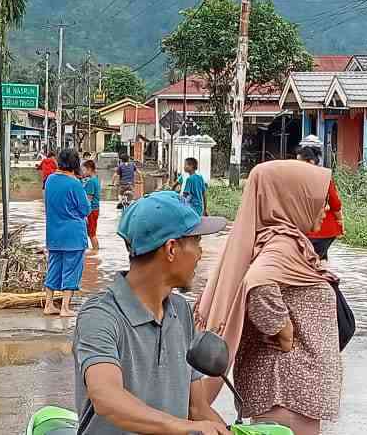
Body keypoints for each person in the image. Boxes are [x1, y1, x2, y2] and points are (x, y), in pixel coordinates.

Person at [193, 160, 343, 435]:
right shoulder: (282, 244)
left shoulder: (278, 240)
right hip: (286, 389)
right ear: (292, 199)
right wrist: (281, 330)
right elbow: (258, 282)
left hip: (290, 390)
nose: (325, 208)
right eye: (318, 200)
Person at [74, 191, 229, 434]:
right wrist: (182, 428)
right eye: (197, 242)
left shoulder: (181, 311)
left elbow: (196, 407)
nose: (201, 254)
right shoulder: (101, 316)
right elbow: (105, 395)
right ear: (171, 249)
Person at [44, 149, 92, 318]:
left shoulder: (50, 180)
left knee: (54, 267)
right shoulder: (75, 184)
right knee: (72, 269)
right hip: (73, 235)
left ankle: (49, 304)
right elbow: (86, 209)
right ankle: (65, 307)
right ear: (74, 164)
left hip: (53, 234)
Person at [298, 146, 344, 260]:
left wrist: (340, 220)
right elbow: (335, 202)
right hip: (326, 232)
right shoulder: (325, 176)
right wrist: (340, 222)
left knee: (310, 262)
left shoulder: (298, 178)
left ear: (311, 161)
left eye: (299, 162)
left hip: (314, 231)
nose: (297, 165)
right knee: (318, 261)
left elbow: (335, 203)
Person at [81, 160, 102, 250]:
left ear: (89, 169)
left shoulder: (91, 182)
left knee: (91, 233)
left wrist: (85, 214)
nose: (83, 172)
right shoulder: (95, 180)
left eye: (84, 170)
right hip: (95, 209)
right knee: (90, 232)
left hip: (91, 210)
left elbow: (88, 199)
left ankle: (95, 252)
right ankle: (93, 253)